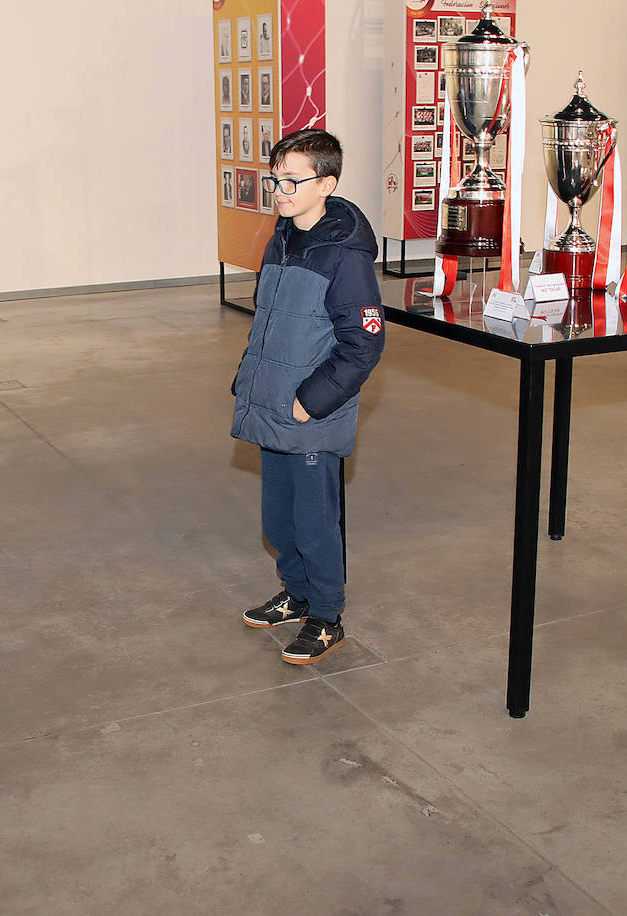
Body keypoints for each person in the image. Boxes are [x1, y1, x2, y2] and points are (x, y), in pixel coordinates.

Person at [230, 129, 385, 664]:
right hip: (272, 403)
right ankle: (296, 594)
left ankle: (325, 614)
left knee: (317, 523)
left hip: (310, 412)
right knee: (280, 519)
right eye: (276, 179)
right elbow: (272, 321)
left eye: (293, 180)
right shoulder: (283, 237)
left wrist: (310, 402)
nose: (281, 190)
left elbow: (364, 341)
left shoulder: (345, 256)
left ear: (328, 183)